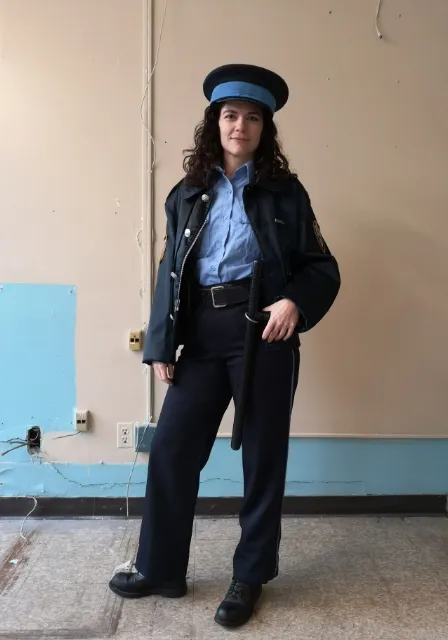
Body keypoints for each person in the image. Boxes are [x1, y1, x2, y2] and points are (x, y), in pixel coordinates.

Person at [109, 63, 341, 627]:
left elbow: (322, 267)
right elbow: (170, 271)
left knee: (263, 460)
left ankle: (250, 576)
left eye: (253, 118)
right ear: (215, 122)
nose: (240, 126)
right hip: (202, 336)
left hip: (262, 331)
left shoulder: (287, 193)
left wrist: (293, 303)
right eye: (230, 115)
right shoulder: (187, 192)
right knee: (171, 449)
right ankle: (160, 566)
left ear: (265, 129)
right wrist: (162, 343)